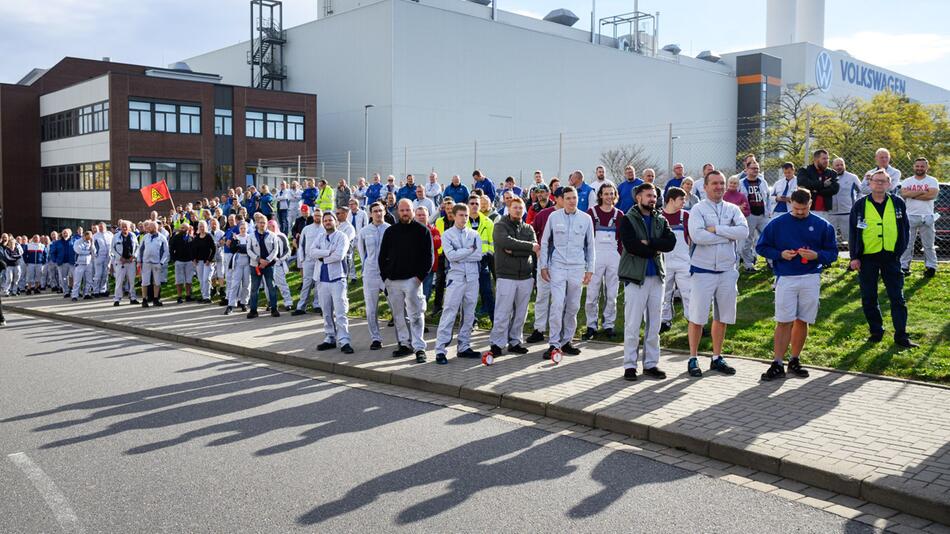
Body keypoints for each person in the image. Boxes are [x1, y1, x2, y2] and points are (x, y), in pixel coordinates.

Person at [756, 188, 838, 381]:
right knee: (784, 320)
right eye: (796, 208)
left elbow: (833, 253)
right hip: (786, 277)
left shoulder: (823, 225)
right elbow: (761, 247)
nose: (800, 212)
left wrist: (817, 255)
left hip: (811, 276)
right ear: (790, 203)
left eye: (804, 208)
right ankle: (777, 362)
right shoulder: (777, 223)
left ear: (810, 203)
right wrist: (780, 254)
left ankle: (794, 359)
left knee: (803, 319)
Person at [686, 170, 748, 377]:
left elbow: (743, 232)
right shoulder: (697, 209)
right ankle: (693, 358)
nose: (719, 187)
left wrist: (716, 229)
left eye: (722, 183)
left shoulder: (732, 209)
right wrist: (727, 234)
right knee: (697, 317)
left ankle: (716, 357)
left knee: (722, 317)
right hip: (702, 270)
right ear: (705, 187)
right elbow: (698, 236)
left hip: (727, 271)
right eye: (714, 183)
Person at [849, 169, 917, 348]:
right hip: (867, 258)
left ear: (889, 184)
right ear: (870, 183)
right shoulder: (860, 205)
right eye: (876, 181)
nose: (879, 184)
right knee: (869, 297)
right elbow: (853, 232)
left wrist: (899, 251)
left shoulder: (897, 203)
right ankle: (876, 331)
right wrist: (854, 256)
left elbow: (905, 229)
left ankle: (901, 335)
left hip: (891, 258)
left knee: (897, 298)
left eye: (883, 181)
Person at [619, 183, 676, 381]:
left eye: (654, 196)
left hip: (657, 277)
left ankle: (651, 364)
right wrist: (656, 248)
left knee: (654, 325)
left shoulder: (660, 219)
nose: (652, 199)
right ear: (638, 198)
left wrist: (650, 242)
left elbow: (670, 242)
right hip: (636, 278)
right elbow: (632, 246)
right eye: (649, 195)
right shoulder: (628, 219)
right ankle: (629, 366)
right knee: (633, 324)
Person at [539, 186, 595, 360]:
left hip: (577, 267)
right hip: (558, 266)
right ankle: (554, 344)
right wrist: (544, 265)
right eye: (568, 198)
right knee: (557, 304)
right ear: (562, 199)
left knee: (573, 306)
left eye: (575, 198)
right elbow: (545, 241)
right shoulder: (554, 217)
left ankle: (566, 342)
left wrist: (590, 269)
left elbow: (591, 246)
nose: (572, 201)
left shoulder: (586, 219)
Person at [379, 199, 433, 363]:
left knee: (416, 316)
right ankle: (404, 344)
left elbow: (428, 258)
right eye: (402, 210)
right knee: (398, 316)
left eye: (407, 210)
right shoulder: (390, 232)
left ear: (413, 211)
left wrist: (419, 278)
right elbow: (382, 257)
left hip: (413, 281)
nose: (404, 213)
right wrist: (385, 278)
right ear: (397, 211)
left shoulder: (422, 231)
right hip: (393, 281)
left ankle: (419, 347)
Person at [434, 203, 483, 364]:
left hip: (472, 278)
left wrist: (462, 252)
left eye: (466, 215)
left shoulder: (474, 235)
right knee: (450, 311)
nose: (464, 218)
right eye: (461, 215)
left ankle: (464, 346)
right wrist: (469, 250)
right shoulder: (447, 235)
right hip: (456, 278)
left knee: (469, 313)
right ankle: (440, 349)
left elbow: (478, 255)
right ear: (454, 216)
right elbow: (451, 256)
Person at [489, 197, 537, 358]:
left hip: (526, 276)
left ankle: (515, 341)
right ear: (509, 209)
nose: (518, 210)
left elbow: (534, 247)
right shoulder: (500, 226)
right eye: (515, 207)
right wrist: (528, 247)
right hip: (506, 276)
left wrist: (516, 250)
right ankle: (497, 343)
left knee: (521, 313)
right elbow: (505, 242)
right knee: (503, 312)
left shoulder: (528, 228)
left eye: (520, 208)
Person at [583, 183, 623, 340]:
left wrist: (619, 255)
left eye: (611, 194)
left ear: (615, 195)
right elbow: (585, 238)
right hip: (595, 257)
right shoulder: (591, 213)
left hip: (614, 257)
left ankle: (609, 325)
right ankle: (591, 325)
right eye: (606, 194)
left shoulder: (619, 215)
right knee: (592, 293)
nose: (609, 197)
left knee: (612, 294)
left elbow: (622, 239)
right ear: (600, 195)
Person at [526, 186, 564, 344]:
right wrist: (536, 248)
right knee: (542, 295)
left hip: (564, 261)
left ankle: (559, 331)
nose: (569, 201)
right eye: (565, 197)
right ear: (558, 198)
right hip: (545, 259)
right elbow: (531, 232)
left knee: (561, 298)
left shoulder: (574, 216)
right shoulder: (543, 214)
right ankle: (539, 329)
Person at [312, 212, 353, 353]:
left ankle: (344, 341)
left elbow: (340, 255)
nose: (328, 222)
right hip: (322, 280)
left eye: (330, 220)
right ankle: (330, 338)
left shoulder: (342, 236)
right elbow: (311, 252)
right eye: (325, 220)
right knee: (326, 312)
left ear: (336, 222)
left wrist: (322, 257)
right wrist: (328, 252)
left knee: (340, 312)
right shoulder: (320, 236)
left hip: (337, 279)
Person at [358, 202, 391, 350]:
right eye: (375, 211)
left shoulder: (390, 230)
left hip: (388, 274)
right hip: (370, 273)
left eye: (380, 211)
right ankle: (376, 338)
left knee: (396, 306)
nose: (378, 213)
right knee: (371, 309)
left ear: (384, 212)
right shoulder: (364, 231)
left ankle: (403, 339)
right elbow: (361, 252)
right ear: (370, 213)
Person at [899, 157, 939, 277]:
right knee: (907, 243)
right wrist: (922, 192)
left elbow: (932, 195)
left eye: (922, 166)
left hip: (927, 217)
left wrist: (912, 195)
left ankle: (931, 267)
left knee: (928, 244)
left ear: (927, 167)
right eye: (917, 166)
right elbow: (904, 194)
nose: (919, 168)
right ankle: (904, 266)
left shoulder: (932, 180)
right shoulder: (907, 181)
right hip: (910, 215)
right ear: (914, 167)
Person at [659, 187, 692, 332]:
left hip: (683, 261)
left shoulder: (686, 216)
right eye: (681, 199)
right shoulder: (659, 217)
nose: (684, 202)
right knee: (664, 292)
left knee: (688, 292)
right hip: (664, 261)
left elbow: (692, 238)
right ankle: (664, 321)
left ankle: (693, 322)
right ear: (671, 200)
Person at [737, 161, 773, 272]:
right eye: (753, 168)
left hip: (763, 215)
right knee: (747, 241)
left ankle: (771, 262)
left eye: (757, 168)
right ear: (746, 170)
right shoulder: (741, 183)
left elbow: (768, 197)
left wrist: (768, 211)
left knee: (770, 237)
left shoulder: (763, 182)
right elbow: (735, 197)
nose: (755, 170)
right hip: (749, 216)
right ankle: (748, 265)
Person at [245, 213, 280, 319]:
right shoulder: (251, 236)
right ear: (256, 224)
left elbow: (275, 250)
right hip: (255, 265)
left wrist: (267, 261)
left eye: (264, 223)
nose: (262, 224)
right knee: (254, 288)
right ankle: (253, 310)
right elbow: (248, 250)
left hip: (268, 266)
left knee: (271, 287)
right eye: (260, 222)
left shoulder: (272, 235)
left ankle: (274, 309)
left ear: (266, 224)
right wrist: (258, 259)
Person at [293, 208, 324, 315]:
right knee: (307, 283)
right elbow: (301, 245)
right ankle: (301, 307)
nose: (317, 217)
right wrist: (302, 260)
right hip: (308, 260)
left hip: (320, 261)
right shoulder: (306, 229)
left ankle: (317, 305)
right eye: (316, 215)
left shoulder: (325, 229)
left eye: (319, 216)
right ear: (313, 216)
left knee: (318, 283)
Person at [469, 195, 495, 320]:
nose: (474, 206)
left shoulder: (487, 222)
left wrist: (488, 254)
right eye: (472, 203)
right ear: (468, 205)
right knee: (469, 294)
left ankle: (494, 320)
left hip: (483, 261)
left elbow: (492, 243)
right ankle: (471, 321)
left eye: (476, 204)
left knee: (487, 291)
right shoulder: (463, 221)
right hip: (467, 262)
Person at [431, 196, 457, 313]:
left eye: (451, 208)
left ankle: (453, 307)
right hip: (442, 255)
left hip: (455, 256)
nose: (450, 210)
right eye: (447, 208)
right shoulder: (439, 221)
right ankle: (437, 307)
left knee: (454, 283)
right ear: (444, 210)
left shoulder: (459, 221)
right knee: (439, 281)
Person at [797, 149, 839, 219]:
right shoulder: (805, 170)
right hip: (808, 209)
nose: (826, 161)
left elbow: (834, 189)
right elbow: (802, 183)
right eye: (824, 158)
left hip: (826, 211)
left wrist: (815, 191)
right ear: (816, 159)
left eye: (827, 158)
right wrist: (823, 184)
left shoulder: (832, 173)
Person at [829, 158, 862, 245]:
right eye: (837, 165)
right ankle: (833, 258)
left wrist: (856, 204)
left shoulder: (852, 177)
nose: (839, 167)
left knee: (850, 238)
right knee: (829, 238)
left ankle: (853, 257)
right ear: (833, 166)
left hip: (847, 213)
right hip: (831, 213)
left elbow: (861, 191)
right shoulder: (827, 177)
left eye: (841, 165)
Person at [138, 221, 169, 308]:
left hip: (156, 263)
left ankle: (156, 299)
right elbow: (140, 249)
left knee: (157, 282)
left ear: (155, 228)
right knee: (144, 282)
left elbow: (166, 251)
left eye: (150, 227)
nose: (148, 228)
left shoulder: (162, 238)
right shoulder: (145, 237)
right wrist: (139, 261)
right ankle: (144, 299)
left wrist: (161, 262)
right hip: (146, 263)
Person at [264, 219, 293, 311]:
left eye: (272, 226)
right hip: (268, 265)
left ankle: (288, 302)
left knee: (282, 284)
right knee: (268, 285)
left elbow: (287, 250)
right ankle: (271, 302)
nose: (270, 228)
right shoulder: (265, 236)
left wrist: (281, 259)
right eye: (268, 226)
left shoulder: (281, 236)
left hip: (278, 264)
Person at [224, 221, 251, 315]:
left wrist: (240, 246)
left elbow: (250, 249)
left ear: (247, 229)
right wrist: (238, 245)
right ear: (239, 229)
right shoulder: (236, 237)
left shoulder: (250, 237)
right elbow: (233, 248)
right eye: (241, 228)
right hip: (238, 261)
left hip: (248, 261)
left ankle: (244, 303)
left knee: (246, 283)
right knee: (235, 283)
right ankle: (230, 305)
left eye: (244, 228)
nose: (243, 230)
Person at [414, 206, 440, 303]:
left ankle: (422, 315)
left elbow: (437, 244)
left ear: (428, 216)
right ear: (414, 216)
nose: (421, 217)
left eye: (423, 215)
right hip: (413, 268)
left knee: (426, 292)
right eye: (419, 215)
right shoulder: (410, 230)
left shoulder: (434, 230)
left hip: (429, 267)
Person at [111, 221, 139, 306]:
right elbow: (112, 249)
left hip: (131, 261)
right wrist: (120, 258)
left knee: (132, 281)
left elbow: (137, 247)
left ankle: (133, 297)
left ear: (129, 227)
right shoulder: (116, 236)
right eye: (123, 226)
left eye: (126, 226)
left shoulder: (133, 235)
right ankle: (117, 299)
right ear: (120, 227)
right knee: (119, 281)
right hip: (120, 262)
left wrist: (134, 256)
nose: (124, 228)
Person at [192, 221, 217, 303]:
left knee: (206, 279)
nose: (201, 228)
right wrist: (194, 259)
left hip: (208, 262)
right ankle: (203, 296)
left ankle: (207, 297)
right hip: (199, 262)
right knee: (201, 280)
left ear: (205, 227)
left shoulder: (209, 236)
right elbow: (193, 249)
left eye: (203, 226)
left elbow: (214, 249)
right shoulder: (196, 238)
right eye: (200, 227)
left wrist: (209, 260)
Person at [169, 223, 195, 303]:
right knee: (179, 280)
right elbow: (171, 248)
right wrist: (174, 259)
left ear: (188, 229)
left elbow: (194, 250)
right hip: (179, 261)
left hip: (189, 262)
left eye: (183, 228)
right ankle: (179, 296)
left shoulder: (191, 238)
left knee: (189, 280)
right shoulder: (176, 237)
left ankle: (188, 295)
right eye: (181, 227)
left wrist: (193, 259)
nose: (181, 229)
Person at [70, 231, 94, 301]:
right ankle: (74, 295)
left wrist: (92, 244)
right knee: (77, 281)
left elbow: (94, 251)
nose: (88, 239)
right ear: (84, 236)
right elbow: (78, 251)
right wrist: (88, 252)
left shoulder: (90, 242)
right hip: (80, 263)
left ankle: (87, 294)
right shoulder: (78, 242)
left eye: (90, 238)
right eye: (87, 238)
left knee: (89, 280)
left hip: (89, 263)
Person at [91, 222, 113, 297]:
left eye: (102, 227)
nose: (101, 228)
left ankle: (102, 290)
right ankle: (95, 291)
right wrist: (95, 255)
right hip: (99, 257)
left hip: (108, 257)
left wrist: (112, 255)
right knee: (98, 274)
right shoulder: (95, 236)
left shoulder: (109, 235)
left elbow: (112, 245)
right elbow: (93, 247)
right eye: (99, 227)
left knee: (105, 274)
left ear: (105, 227)